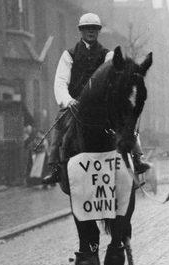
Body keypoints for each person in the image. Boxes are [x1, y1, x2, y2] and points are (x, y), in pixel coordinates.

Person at [42, 13, 150, 185]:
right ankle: (54, 167)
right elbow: (61, 82)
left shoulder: (108, 55)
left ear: (98, 31)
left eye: (94, 29)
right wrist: (68, 100)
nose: (90, 32)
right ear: (81, 31)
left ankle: (137, 158)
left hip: (102, 103)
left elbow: (111, 78)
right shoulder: (69, 55)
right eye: (87, 29)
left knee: (125, 120)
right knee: (59, 125)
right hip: (75, 103)